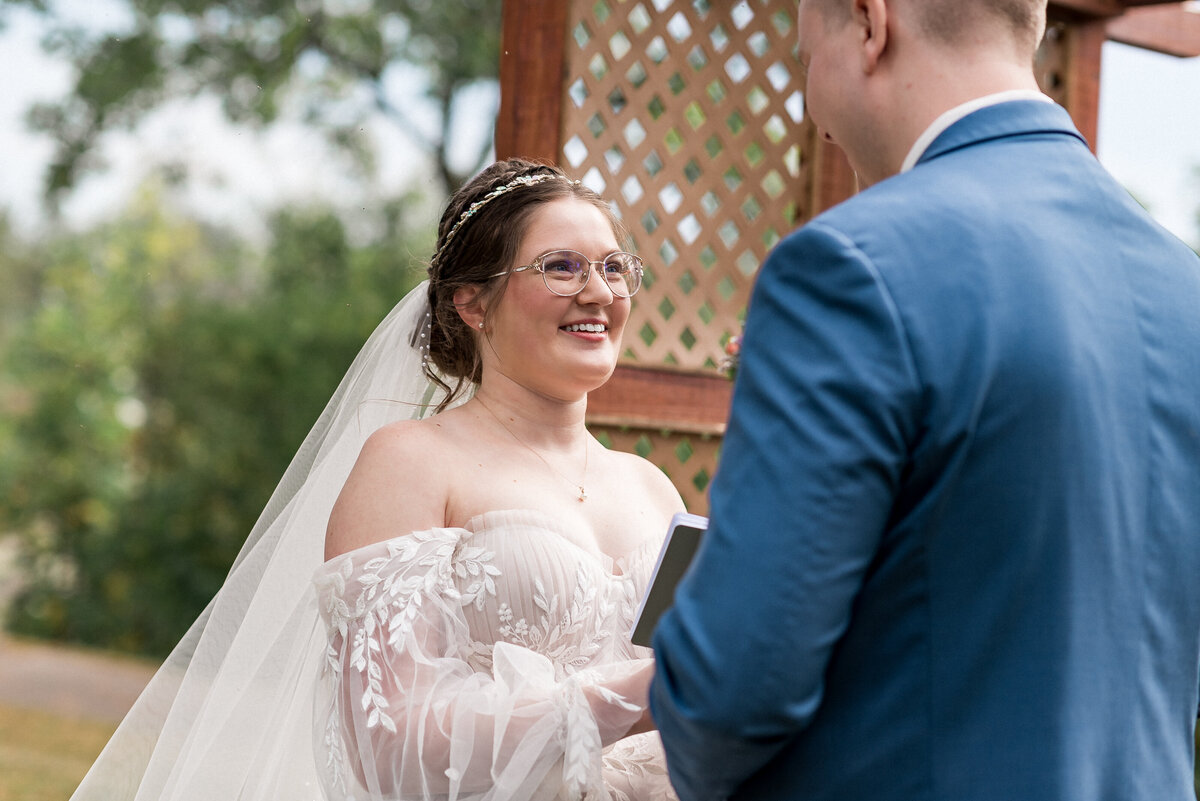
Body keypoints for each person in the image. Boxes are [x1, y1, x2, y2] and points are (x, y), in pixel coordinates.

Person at [649, 1, 1200, 800]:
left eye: (807, 57)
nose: (816, 107)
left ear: (871, 23)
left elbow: (732, 688)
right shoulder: (1187, 290)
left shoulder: (850, 268)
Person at [70, 158, 686, 801]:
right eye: (562, 267)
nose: (600, 293)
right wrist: (637, 697)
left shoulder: (653, 489)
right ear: (472, 302)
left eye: (614, 267)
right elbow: (389, 746)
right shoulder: (411, 462)